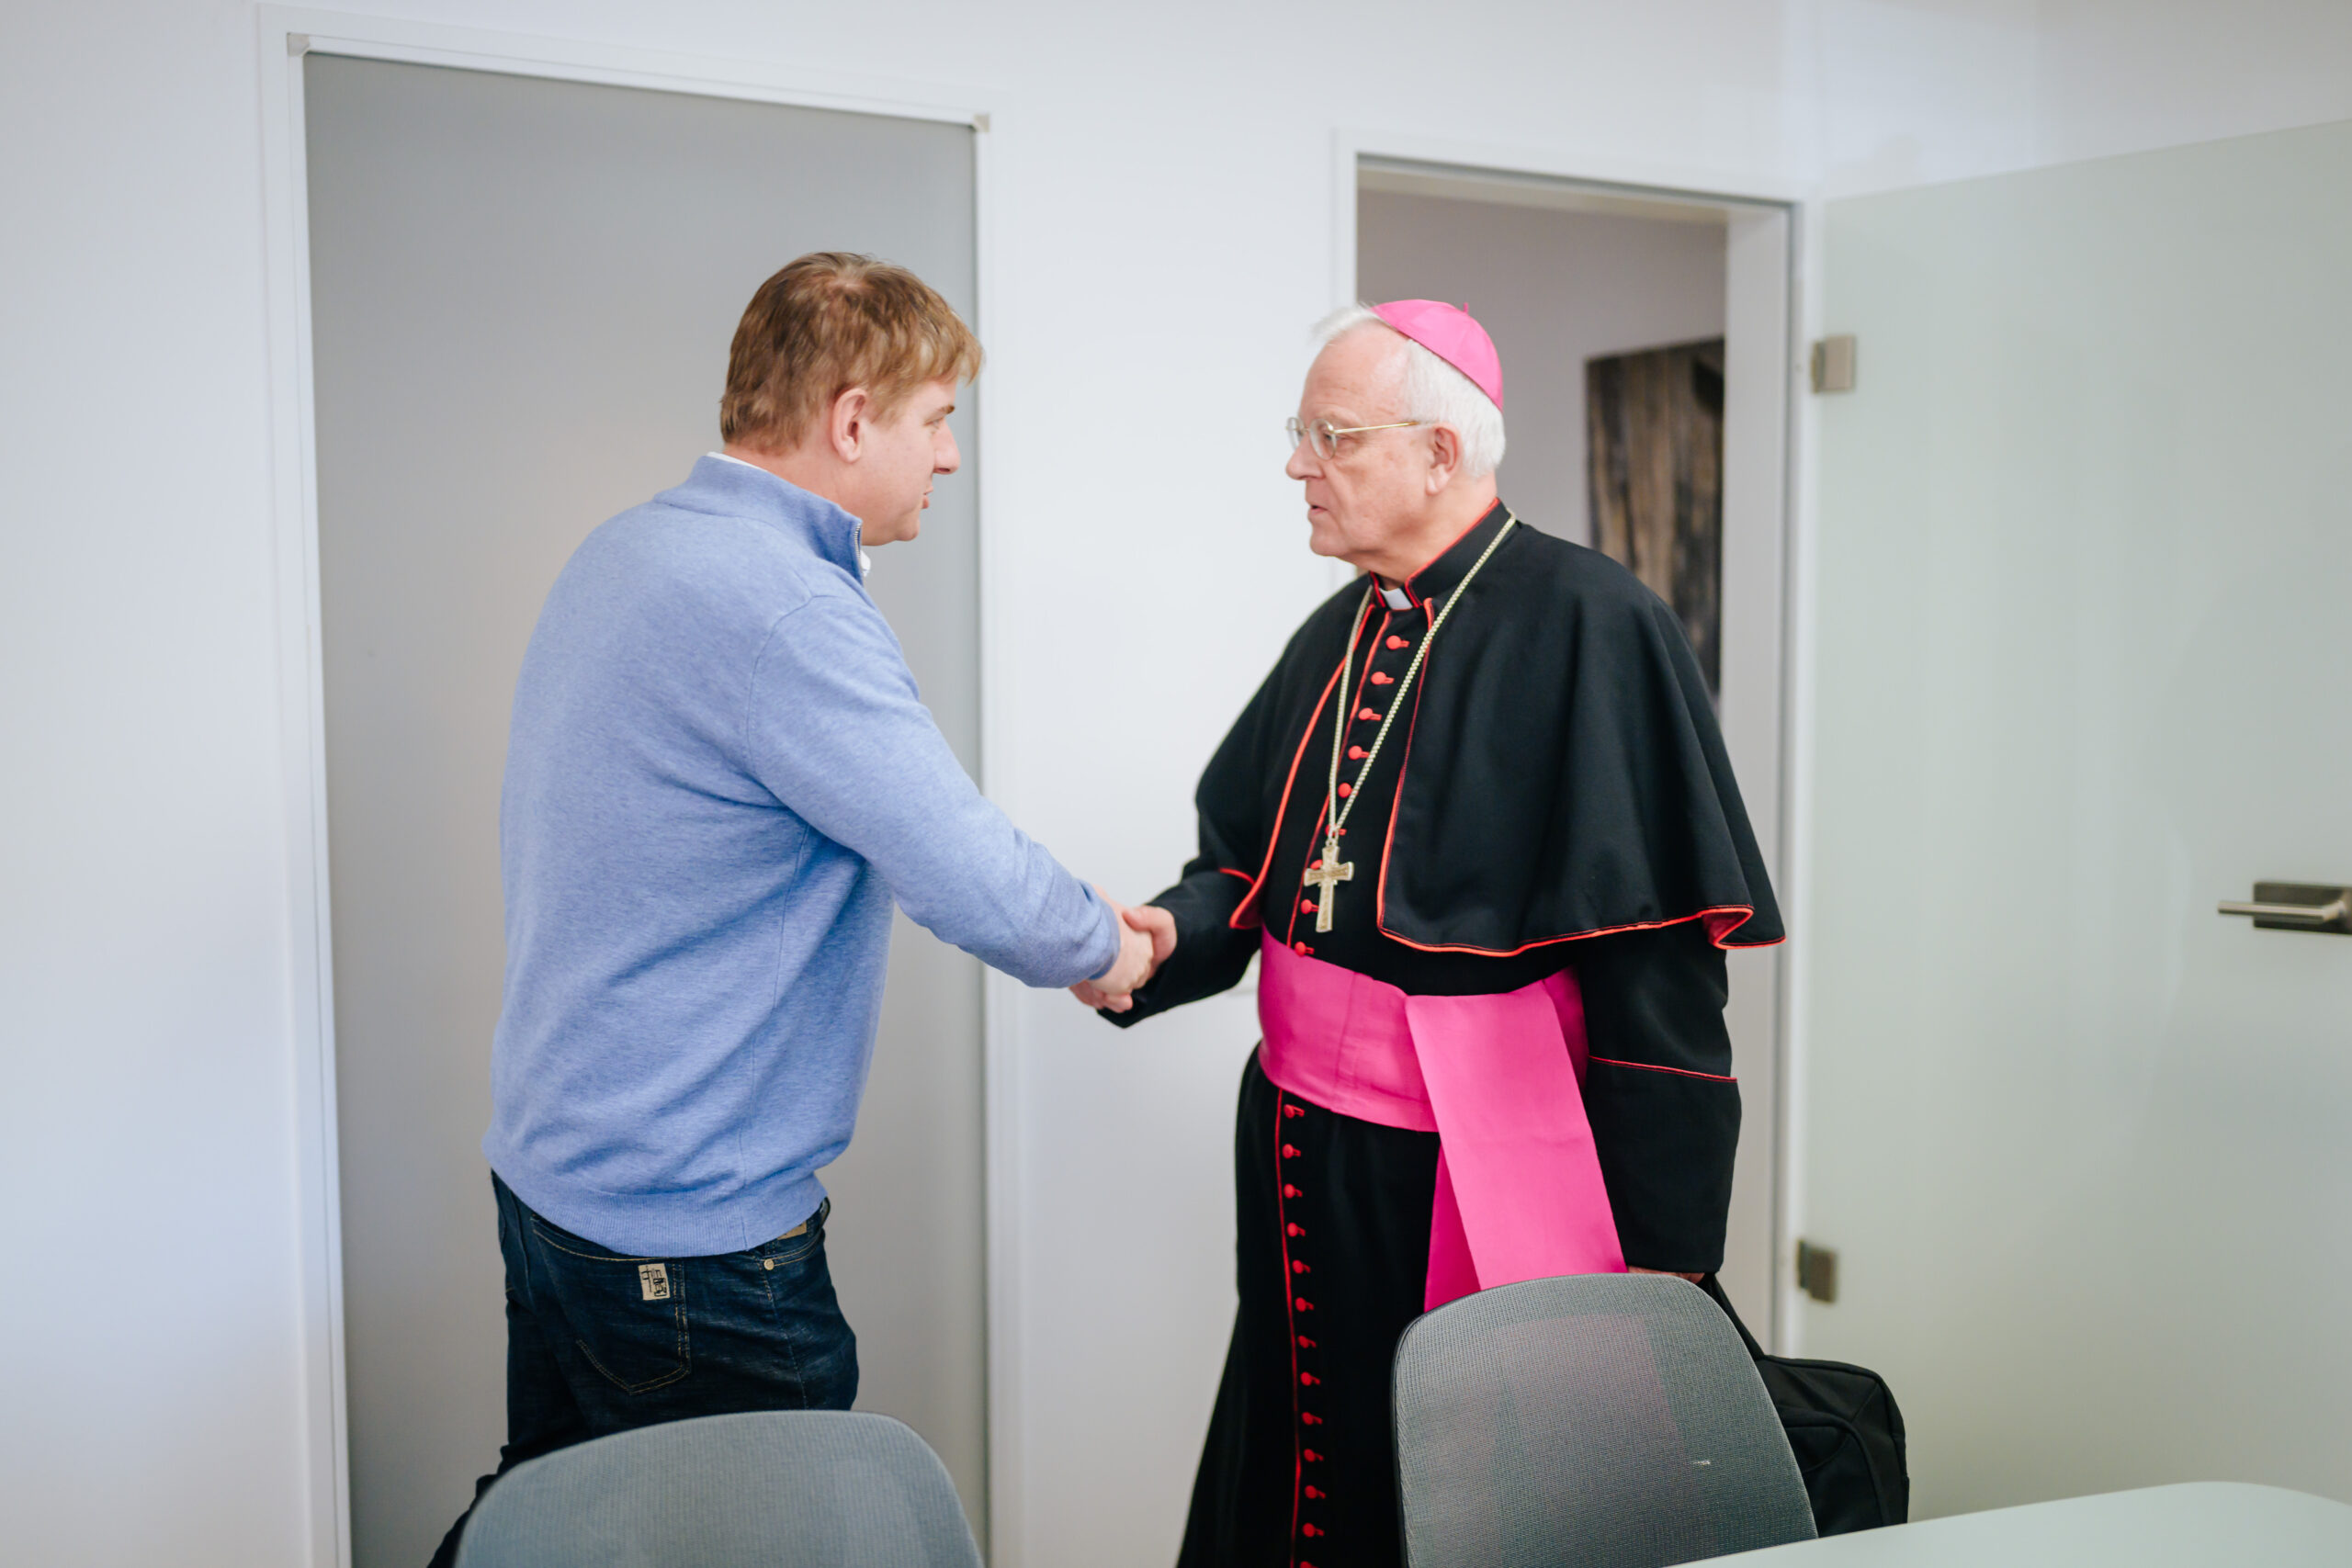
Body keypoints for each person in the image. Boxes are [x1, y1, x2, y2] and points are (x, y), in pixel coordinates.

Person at [429, 253, 1159, 1567]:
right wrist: (1108, 947)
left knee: (546, 1527)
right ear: (851, 417)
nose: (948, 459)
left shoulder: (634, 548)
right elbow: (959, 862)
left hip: (562, 1190)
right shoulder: (777, 607)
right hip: (686, 1244)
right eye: (938, 421)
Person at [1082, 300, 1781, 1568]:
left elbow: (1660, 968)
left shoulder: (1595, 622)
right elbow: (1244, 866)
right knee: (1304, 1440)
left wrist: (1667, 1264)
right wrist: (1152, 944)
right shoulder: (1344, 630)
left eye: (1331, 435)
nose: (1300, 463)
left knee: (1457, 1477)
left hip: (1472, 1163)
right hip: (1297, 1140)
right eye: (1300, 432)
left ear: (1442, 453)